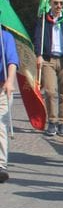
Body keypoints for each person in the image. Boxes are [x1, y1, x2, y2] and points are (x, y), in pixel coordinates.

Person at [34, 0, 63, 137]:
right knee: (50, 92)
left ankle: (62, 122)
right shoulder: (44, 20)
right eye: (56, 3)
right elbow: (38, 38)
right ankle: (52, 121)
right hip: (48, 60)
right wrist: (38, 55)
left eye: (61, 3)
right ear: (50, 4)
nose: (59, 6)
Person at [0, 26, 19, 183]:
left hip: (2, 88)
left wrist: (10, 81)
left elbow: (12, 61)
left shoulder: (5, 37)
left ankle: (1, 165)